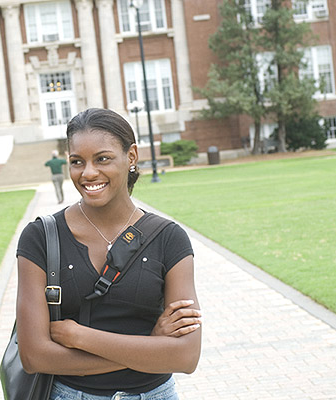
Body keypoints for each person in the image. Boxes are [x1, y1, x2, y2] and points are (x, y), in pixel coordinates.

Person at [16, 108, 202, 399]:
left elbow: (186, 356)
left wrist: (81, 337)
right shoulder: (41, 237)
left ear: (131, 157)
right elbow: (34, 356)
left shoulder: (169, 238)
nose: (88, 173)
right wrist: (152, 345)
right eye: (78, 162)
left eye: (102, 159)